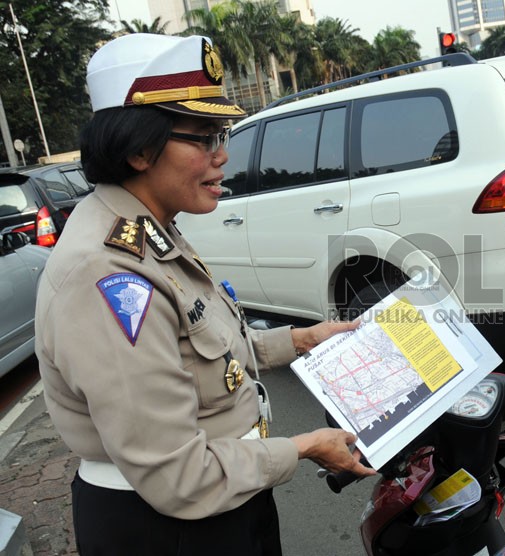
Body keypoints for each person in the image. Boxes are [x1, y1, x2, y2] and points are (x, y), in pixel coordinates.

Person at [34, 33, 374, 556]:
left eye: (225, 133)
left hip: (227, 497)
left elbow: (202, 349)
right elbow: (178, 476)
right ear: (139, 148)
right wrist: (305, 448)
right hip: (168, 526)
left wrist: (305, 339)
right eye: (206, 137)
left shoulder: (149, 226)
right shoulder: (106, 275)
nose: (223, 156)